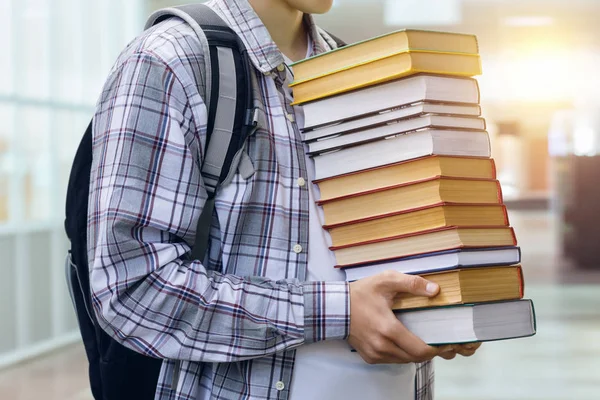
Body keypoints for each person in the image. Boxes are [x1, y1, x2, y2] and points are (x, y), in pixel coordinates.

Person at [88, 0, 481, 399]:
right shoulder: (171, 61)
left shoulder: (355, 67)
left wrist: (436, 310)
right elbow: (132, 287)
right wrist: (340, 313)